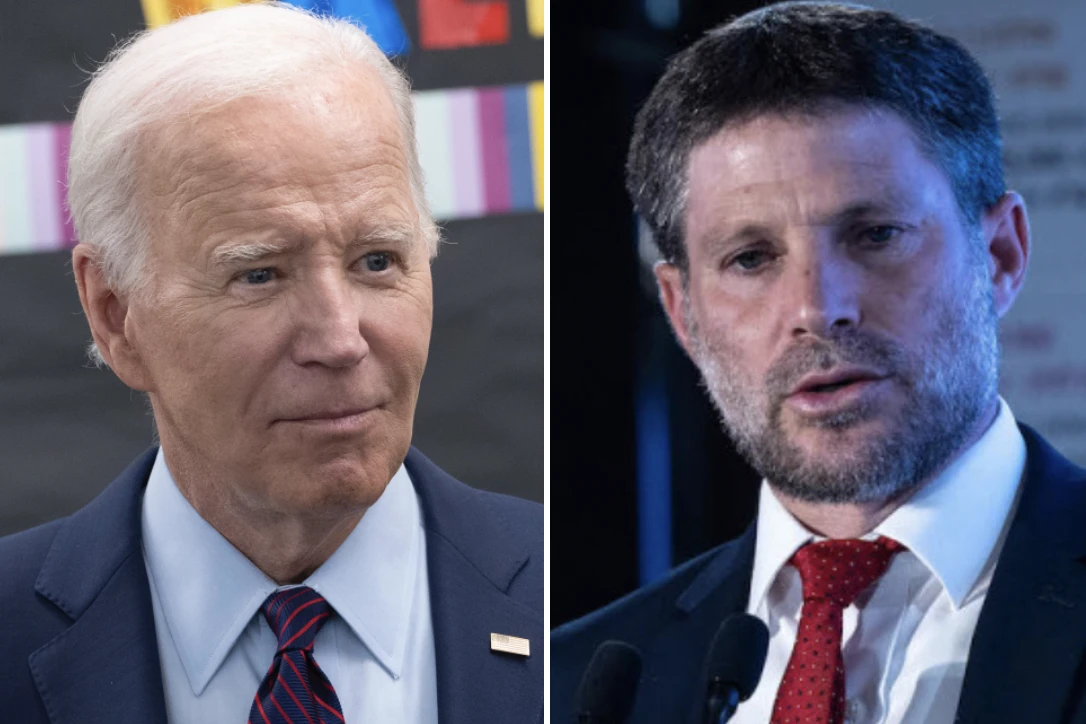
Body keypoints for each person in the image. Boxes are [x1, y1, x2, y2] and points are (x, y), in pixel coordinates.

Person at [0, 4, 541, 723]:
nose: (340, 340)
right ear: (114, 314)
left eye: (377, 261)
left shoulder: (570, 606)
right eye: (260, 275)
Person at [553, 3, 1086, 723]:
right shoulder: (575, 686)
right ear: (683, 314)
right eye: (750, 258)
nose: (816, 307)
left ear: (999, 256)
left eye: (876, 234)